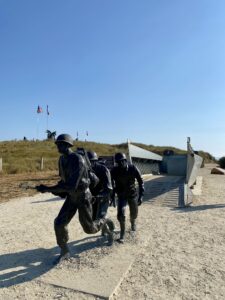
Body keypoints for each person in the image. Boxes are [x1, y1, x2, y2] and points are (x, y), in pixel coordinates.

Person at [36, 134, 112, 264]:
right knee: (59, 223)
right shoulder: (61, 160)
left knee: (89, 229)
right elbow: (63, 181)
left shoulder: (78, 160)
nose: (58, 146)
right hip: (72, 197)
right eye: (57, 144)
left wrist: (48, 188)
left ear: (68, 145)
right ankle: (64, 250)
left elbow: (71, 185)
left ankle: (104, 221)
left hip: (83, 197)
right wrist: (48, 189)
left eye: (61, 144)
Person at [111, 152, 144, 243]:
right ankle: (122, 234)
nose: (120, 164)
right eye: (118, 162)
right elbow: (111, 184)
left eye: (121, 161)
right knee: (121, 215)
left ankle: (133, 222)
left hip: (132, 195)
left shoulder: (133, 168)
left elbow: (141, 182)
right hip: (121, 195)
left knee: (134, 214)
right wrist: (112, 196)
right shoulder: (114, 170)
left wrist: (141, 196)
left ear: (125, 161)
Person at [87, 151, 114, 235]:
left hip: (103, 197)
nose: (89, 164)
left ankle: (110, 234)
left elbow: (108, 188)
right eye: (87, 162)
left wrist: (99, 196)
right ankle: (105, 229)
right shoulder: (86, 171)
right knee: (94, 220)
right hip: (92, 199)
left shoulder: (103, 169)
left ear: (95, 161)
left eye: (91, 162)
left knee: (100, 218)